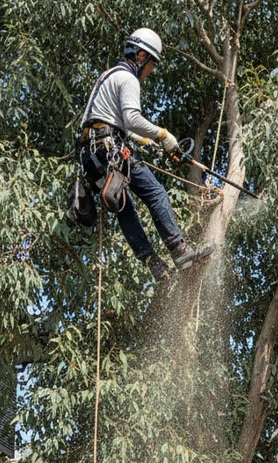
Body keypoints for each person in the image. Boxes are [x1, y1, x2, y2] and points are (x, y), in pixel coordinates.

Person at [79, 28, 214, 281]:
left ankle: (153, 262)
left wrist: (143, 140)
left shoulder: (108, 76)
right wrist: (163, 136)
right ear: (141, 56)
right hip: (108, 149)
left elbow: (113, 122)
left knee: (124, 208)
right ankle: (180, 250)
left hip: (92, 155)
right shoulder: (128, 78)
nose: (150, 71)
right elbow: (132, 118)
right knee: (155, 192)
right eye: (151, 64)